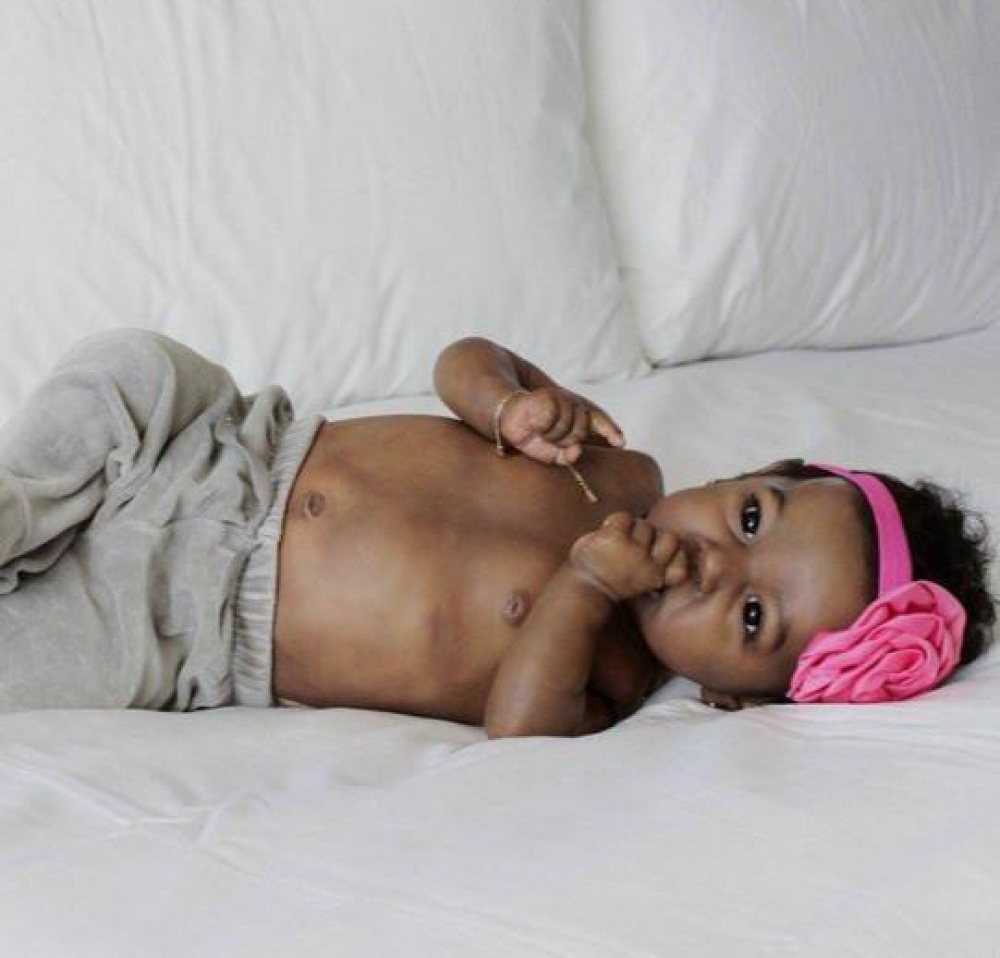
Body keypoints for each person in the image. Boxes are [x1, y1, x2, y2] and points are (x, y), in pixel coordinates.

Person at [0, 330, 994, 735]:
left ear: (736, 695)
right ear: (749, 474)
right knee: (132, 367)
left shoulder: (605, 675)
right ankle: (23, 504)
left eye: (749, 615)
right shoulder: (620, 467)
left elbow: (516, 733)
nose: (713, 563)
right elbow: (461, 359)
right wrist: (505, 403)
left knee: (33, 656)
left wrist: (585, 587)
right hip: (228, 446)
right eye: (747, 518)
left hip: (184, 625)